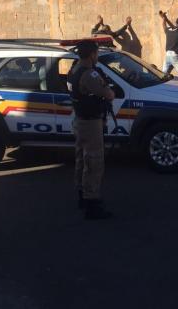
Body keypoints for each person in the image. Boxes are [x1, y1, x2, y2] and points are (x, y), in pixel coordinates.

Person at [67, 40, 115, 221]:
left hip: (80, 119)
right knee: (94, 161)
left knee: (82, 158)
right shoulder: (89, 74)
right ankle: (92, 201)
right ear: (92, 54)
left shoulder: (74, 69)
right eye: (96, 53)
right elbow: (109, 94)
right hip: (90, 122)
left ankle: (82, 194)